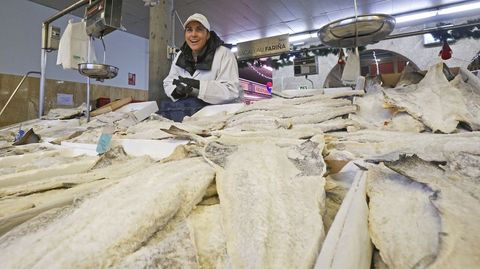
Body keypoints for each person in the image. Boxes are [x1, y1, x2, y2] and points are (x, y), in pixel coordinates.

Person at [162, 13, 242, 121]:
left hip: (220, 117)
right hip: (189, 114)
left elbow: (231, 90)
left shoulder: (225, 54)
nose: (193, 34)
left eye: (199, 29)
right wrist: (177, 92)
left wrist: (200, 87)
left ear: (207, 35)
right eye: (189, 30)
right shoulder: (180, 56)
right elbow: (168, 82)